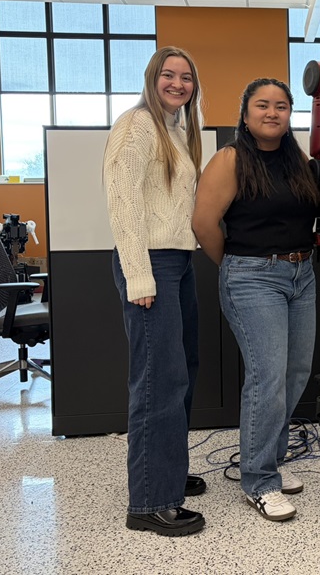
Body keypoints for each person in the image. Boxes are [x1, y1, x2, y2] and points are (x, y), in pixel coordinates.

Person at [192, 78, 320, 522]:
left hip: (301, 273)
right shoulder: (230, 160)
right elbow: (204, 223)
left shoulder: (296, 159)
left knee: (294, 372)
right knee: (267, 378)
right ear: (245, 114)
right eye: (262, 105)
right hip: (253, 276)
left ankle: (270, 460)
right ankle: (259, 481)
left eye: (281, 106)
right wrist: (235, 264)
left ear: (289, 115)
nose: (272, 113)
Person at [103, 46, 206, 536]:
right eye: (169, 74)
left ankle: (168, 472)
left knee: (182, 371)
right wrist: (139, 276)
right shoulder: (138, 124)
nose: (177, 83)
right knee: (158, 381)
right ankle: (149, 502)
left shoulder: (177, 130)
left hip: (177, 262)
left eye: (186, 77)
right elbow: (122, 198)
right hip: (151, 265)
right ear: (152, 78)